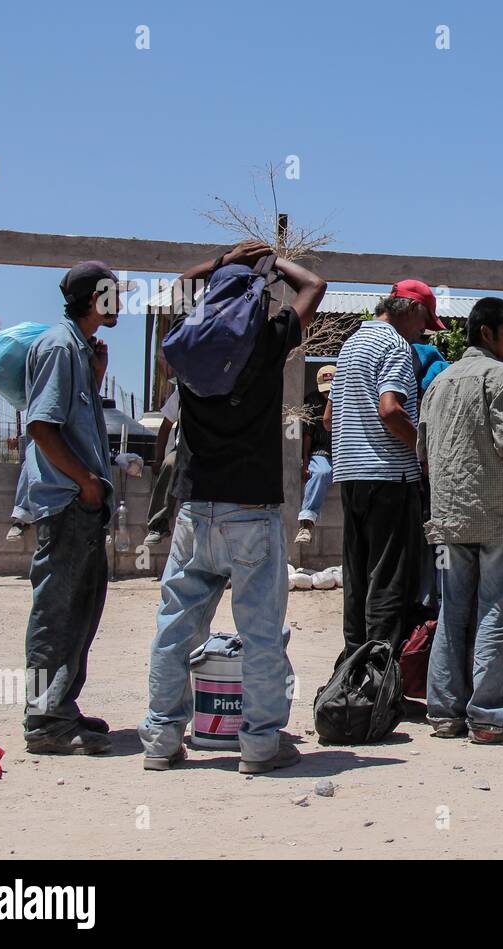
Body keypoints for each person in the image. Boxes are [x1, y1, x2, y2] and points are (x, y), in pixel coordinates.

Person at [138, 241, 327, 773]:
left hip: (196, 511)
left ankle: (160, 742)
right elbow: (314, 286)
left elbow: (174, 289)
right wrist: (270, 261)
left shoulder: (184, 346)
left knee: (175, 627)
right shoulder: (266, 341)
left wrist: (223, 263)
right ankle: (260, 745)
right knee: (261, 633)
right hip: (253, 509)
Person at [20, 261, 133, 754]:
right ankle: (45, 722)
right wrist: (86, 482)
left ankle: (61, 707)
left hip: (80, 505)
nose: (121, 303)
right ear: (96, 298)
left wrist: (96, 375)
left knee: (80, 610)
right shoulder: (60, 346)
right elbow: (42, 427)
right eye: (114, 294)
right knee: (58, 610)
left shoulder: (80, 351)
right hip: (66, 502)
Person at [418, 298, 503, 744]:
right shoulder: (502, 377)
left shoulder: (439, 381)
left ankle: (444, 713)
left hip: (448, 519)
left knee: (452, 612)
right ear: (487, 334)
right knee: (498, 612)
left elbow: (424, 454)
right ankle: (488, 716)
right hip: (497, 518)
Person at [326, 280, 444, 663]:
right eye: (425, 319)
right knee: (389, 583)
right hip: (389, 477)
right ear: (410, 309)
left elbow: (328, 419)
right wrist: (426, 450)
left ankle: (353, 673)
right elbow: (391, 410)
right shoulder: (395, 345)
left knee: (357, 581)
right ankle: (377, 680)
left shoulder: (351, 343)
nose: (425, 330)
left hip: (350, 476)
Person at [294, 364, 335, 545]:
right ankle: (307, 523)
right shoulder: (312, 401)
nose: (328, 395)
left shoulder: (349, 398)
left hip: (344, 451)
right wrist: (305, 463)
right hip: (321, 450)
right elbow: (307, 434)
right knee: (321, 473)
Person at [143, 384, 179, 546]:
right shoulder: (181, 395)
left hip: (213, 450)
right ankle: (158, 523)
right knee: (170, 463)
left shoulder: (224, 390)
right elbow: (165, 428)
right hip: (184, 450)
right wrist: (159, 458)